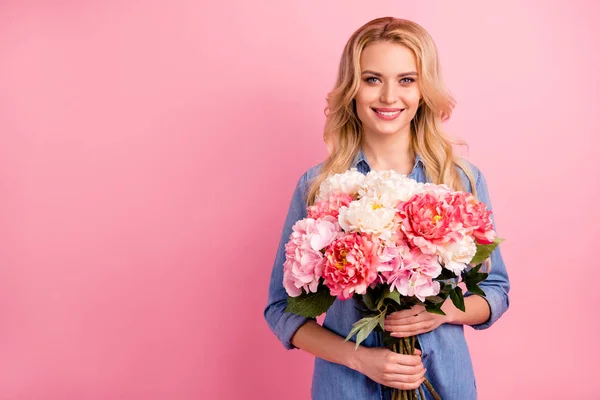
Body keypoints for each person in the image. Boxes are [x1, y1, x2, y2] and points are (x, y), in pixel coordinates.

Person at [263, 17, 510, 400]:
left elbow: (496, 289)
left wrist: (444, 311)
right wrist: (360, 358)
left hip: (443, 383)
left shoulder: (460, 180)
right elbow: (283, 309)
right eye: (372, 79)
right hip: (347, 388)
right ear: (352, 89)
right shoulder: (318, 187)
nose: (389, 97)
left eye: (407, 80)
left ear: (424, 90)